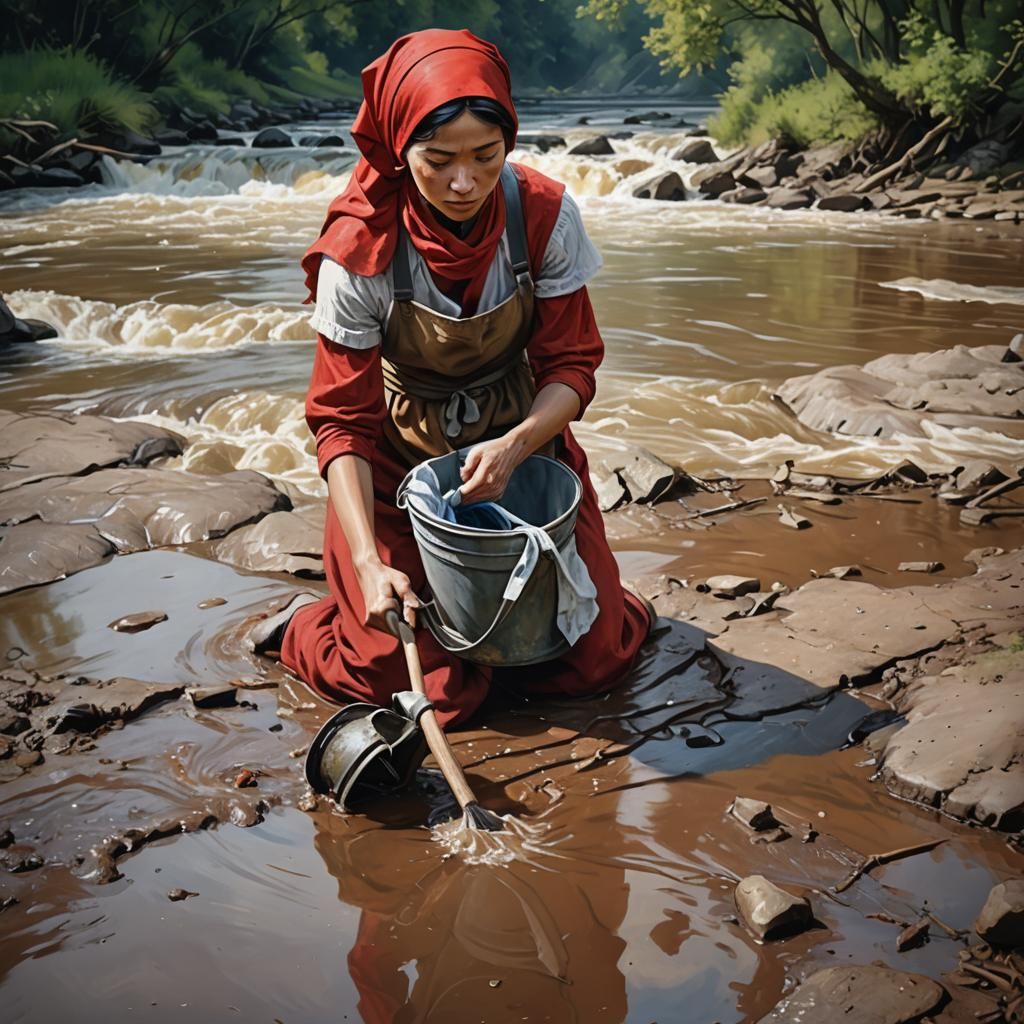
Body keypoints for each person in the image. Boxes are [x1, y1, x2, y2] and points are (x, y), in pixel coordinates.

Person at [260, 28, 651, 727]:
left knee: (591, 663)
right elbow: (341, 421)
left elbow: (572, 366)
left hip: (523, 453)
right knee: (433, 695)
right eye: (437, 160)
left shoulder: (543, 214)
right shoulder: (359, 248)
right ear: (399, 148)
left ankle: (606, 603)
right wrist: (366, 562)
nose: (464, 182)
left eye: (485, 156)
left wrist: (518, 445)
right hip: (393, 475)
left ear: (510, 144)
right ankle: (305, 625)